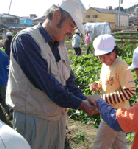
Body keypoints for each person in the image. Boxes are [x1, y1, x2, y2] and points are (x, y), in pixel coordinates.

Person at [6, 1, 98, 149]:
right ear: (56, 16)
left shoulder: (61, 45)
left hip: (57, 119)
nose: (72, 32)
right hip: (33, 120)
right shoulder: (26, 40)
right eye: (72, 25)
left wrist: (84, 99)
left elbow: (69, 82)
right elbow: (49, 86)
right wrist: (81, 104)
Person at [90, 34, 136, 149]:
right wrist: (98, 85)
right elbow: (106, 82)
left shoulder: (121, 66)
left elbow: (130, 91)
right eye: (101, 56)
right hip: (111, 113)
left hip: (114, 114)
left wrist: (102, 100)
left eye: (108, 55)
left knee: (99, 145)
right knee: (119, 145)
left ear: (115, 51)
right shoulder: (105, 65)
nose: (105, 59)